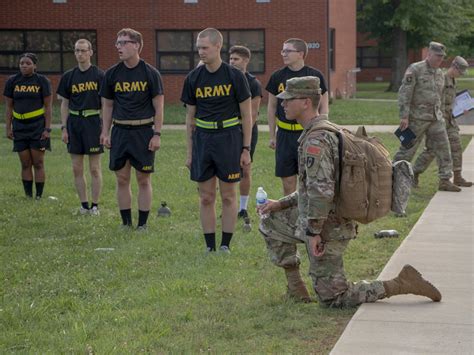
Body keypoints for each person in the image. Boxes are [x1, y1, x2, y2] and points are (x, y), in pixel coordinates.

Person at [258, 76, 442, 306]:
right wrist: (280, 204)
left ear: (306, 102)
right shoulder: (325, 129)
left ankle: (401, 283)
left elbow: (321, 192)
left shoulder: (317, 140)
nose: (282, 104)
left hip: (329, 226)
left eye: (289, 99)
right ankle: (296, 289)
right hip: (318, 217)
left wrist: (314, 232)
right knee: (270, 220)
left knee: (333, 298)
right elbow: (313, 189)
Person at [182, 28, 252, 253]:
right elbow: (189, 118)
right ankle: (210, 246)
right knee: (206, 196)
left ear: (217, 47)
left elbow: (247, 115)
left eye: (204, 47)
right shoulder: (193, 78)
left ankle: (225, 245)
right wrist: (190, 153)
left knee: (229, 195)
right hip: (203, 138)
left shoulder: (234, 76)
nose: (200, 52)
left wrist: (246, 149)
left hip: (229, 138)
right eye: (198, 48)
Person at [99, 28, 164, 230]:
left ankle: (142, 224)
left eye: (123, 42)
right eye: (117, 43)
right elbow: (108, 105)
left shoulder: (150, 73)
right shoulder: (112, 74)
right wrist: (105, 132)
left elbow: (159, 105)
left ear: (136, 45)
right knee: (122, 178)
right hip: (120, 131)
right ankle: (126, 223)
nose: (119, 47)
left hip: (143, 131)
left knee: (143, 179)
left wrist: (157, 134)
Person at [393, 41, 460, 192]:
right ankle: (393, 177)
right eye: (437, 56)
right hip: (416, 119)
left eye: (442, 57)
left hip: (436, 119)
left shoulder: (440, 74)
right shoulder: (415, 69)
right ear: (428, 54)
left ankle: (444, 179)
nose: (440, 60)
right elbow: (405, 93)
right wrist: (404, 116)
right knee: (407, 150)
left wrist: (442, 114)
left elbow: (440, 97)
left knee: (443, 148)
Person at [266, 38, 329, 195]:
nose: (284, 54)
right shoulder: (277, 76)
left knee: (310, 178)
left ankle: (308, 216)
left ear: (300, 54)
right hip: (285, 135)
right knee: (288, 181)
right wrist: (272, 135)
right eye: (283, 50)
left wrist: (321, 130)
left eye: (288, 51)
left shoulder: (314, 76)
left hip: (307, 133)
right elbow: (272, 106)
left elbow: (324, 105)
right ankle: (290, 217)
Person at [57, 39, 105, 215]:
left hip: (93, 122)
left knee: (94, 168)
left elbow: (107, 105)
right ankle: (84, 205)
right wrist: (64, 128)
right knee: (77, 167)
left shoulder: (100, 75)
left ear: (91, 52)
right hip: (74, 122)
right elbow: (64, 104)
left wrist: (105, 129)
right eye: (77, 50)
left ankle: (95, 206)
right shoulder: (68, 76)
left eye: (83, 50)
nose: (80, 54)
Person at [412, 56, 472, 188]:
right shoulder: (441, 79)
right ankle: (414, 173)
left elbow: (449, 102)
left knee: (456, 147)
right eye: (460, 72)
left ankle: (457, 177)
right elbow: (435, 101)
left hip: (450, 120)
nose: (460, 75)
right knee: (431, 151)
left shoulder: (452, 80)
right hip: (438, 121)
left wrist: (462, 109)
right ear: (454, 67)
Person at [4, 53, 52, 199]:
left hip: (37, 126)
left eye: (28, 63)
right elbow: (8, 107)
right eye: (22, 63)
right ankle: (28, 196)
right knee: (25, 163)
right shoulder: (12, 81)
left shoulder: (42, 81)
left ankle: (39, 196)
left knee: (38, 162)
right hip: (19, 127)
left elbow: (48, 107)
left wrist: (47, 128)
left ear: (35, 65)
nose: (24, 65)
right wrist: (8, 127)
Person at [229, 45, 262, 231]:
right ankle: (230, 206)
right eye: (231, 59)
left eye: (236, 59)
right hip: (227, 130)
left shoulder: (253, 83)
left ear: (246, 61)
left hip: (245, 129)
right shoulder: (224, 78)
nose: (232, 62)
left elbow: (253, 114)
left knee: (245, 168)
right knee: (227, 169)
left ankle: (242, 208)